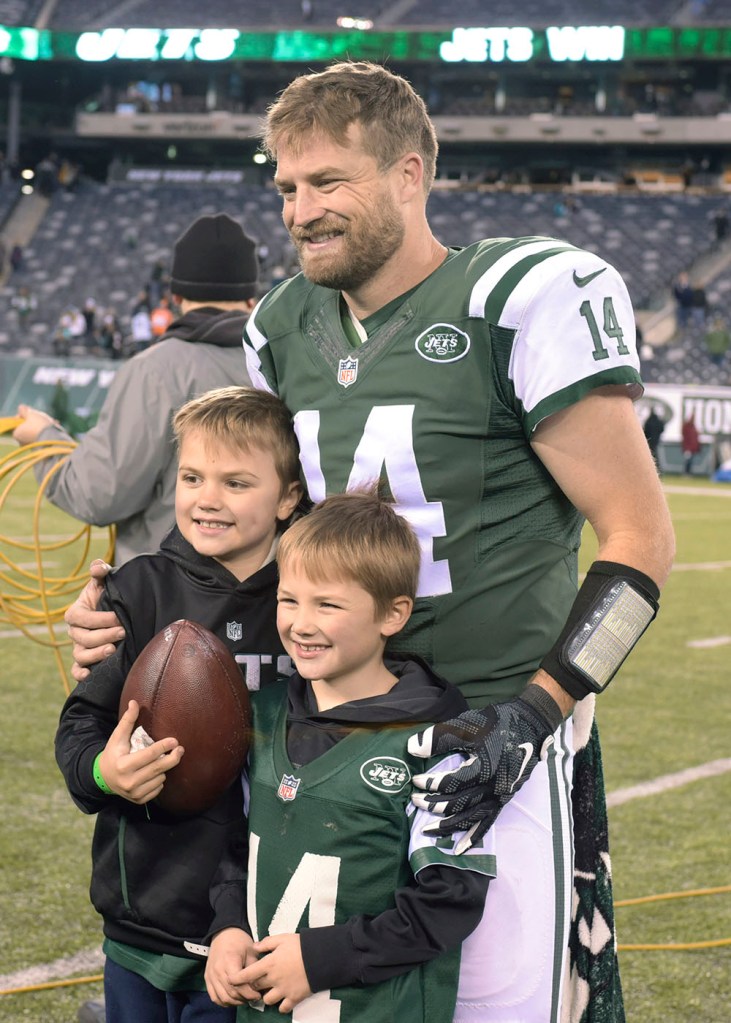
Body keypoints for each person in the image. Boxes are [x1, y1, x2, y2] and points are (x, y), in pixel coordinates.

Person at [65, 62, 675, 1023]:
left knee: (495, 1004)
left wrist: (531, 713)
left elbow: (641, 539)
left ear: (408, 173)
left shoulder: (518, 295)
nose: (300, 210)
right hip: (330, 735)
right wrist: (131, 613)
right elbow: (256, 529)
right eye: (287, 188)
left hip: (489, 729)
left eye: (327, 181)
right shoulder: (281, 327)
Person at [55, 386, 303, 1023]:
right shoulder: (140, 589)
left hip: (256, 919)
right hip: (144, 900)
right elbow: (81, 724)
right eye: (192, 476)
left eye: (236, 482)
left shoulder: (309, 602)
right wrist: (105, 773)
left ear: (288, 496)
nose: (207, 498)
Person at [204, 490, 498, 1020]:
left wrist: (320, 959)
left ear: (393, 614)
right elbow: (235, 845)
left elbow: (449, 901)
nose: (301, 623)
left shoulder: (440, 744)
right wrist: (227, 927)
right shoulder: (263, 714)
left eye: (328, 604)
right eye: (289, 600)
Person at [13, 213, 260, 566]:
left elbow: (98, 495)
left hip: (169, 600)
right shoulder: (287, 365)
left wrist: (44, 438)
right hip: (271, 603)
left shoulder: (154, 370)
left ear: (175, 296)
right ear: (252, 299)